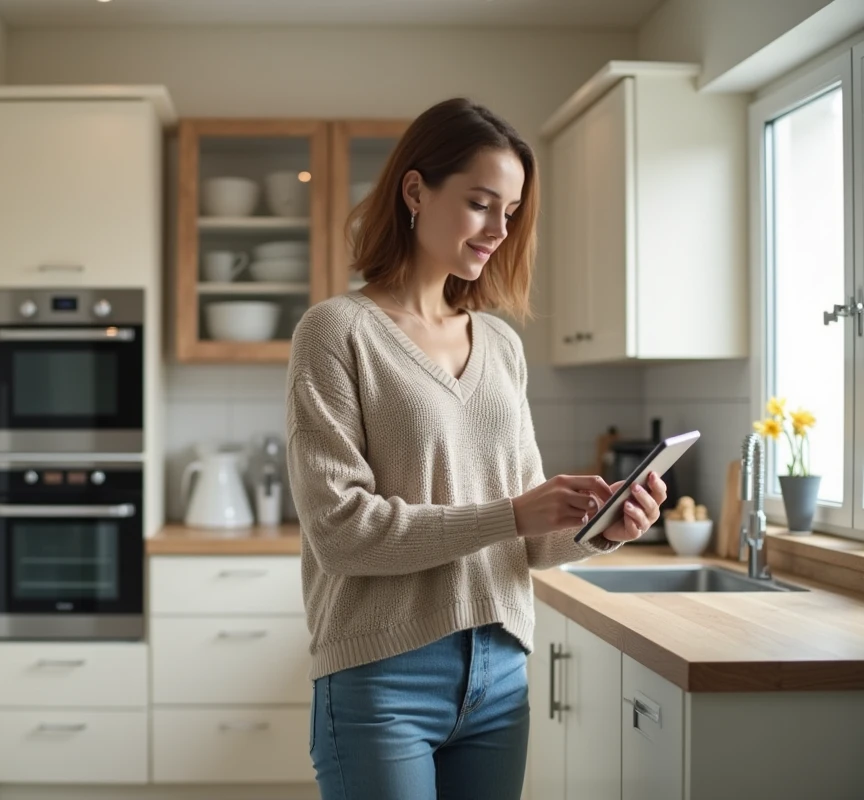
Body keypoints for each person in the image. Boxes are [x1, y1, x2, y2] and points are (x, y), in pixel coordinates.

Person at [285, 97, 667, 800]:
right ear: (415, 190)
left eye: (511, 212)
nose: (499, 229)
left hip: (499, 674)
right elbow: (341, 532)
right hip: (382, 676)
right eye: (481, 203)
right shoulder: (336, 332)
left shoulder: (500, 346)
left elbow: (524, 538)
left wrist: (599, 529)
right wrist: (513, 515)